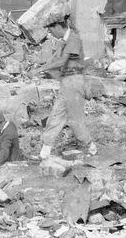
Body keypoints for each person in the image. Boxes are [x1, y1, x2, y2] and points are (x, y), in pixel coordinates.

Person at [31, 16, 96, 158]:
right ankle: (45, 152)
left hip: (74, 81)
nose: (51, 33)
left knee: (75, 120)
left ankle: (91, 147)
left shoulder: (73, 38)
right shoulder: (65, 41)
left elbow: (62, 61)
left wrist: (40, 69)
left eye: (51, 30)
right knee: (56, 115)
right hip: (67, 82)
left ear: (58, 27)